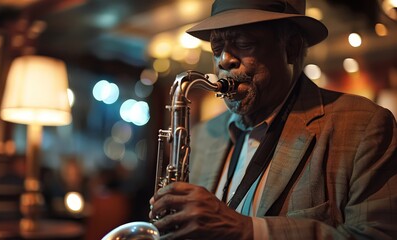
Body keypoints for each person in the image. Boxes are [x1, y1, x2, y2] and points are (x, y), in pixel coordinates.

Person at [148, 0, 397, 239]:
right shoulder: (203, 136)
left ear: (292, 48)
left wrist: (249, 230)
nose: (224, 60)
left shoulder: (364, 126)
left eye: (244, 43)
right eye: (216, 48)